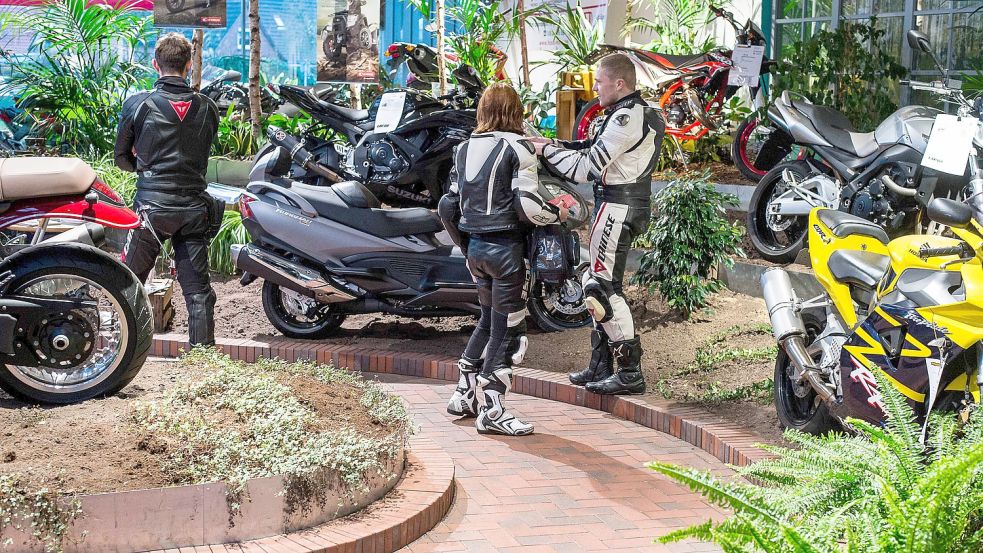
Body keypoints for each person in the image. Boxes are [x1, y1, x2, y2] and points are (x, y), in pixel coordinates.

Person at [438, 83, 569, 436]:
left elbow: (447, 206)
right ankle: (493, 410)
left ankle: (464, 394)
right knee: (511, 332)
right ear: (516, 112)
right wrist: (556, 213)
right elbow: (528, 205)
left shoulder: (464, 148)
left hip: (476, 251)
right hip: (508, 251)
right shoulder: (519, 147)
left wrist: (466, 246)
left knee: (489, 321)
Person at [530, 53, 665, 395]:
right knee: (595, 281)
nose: (594, 87)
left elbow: (585, 167)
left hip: (619, 204)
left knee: (601, 289)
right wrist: (551, 145)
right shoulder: (627, 114)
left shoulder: (627, 117)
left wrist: (546, 152)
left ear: (619, 83)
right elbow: (588, 148)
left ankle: (630, 372)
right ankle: (601, 364)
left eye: (599, 81)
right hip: (616, 204)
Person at [115, 33, 221, 347]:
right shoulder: (207, 107)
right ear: (189, 65)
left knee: (126, 284)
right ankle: (202, 361)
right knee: (199, 293)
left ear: (155, 64)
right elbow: (200, 150)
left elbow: (121, 158)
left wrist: (145, 170)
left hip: (150, 210)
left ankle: (122, 354)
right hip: (192, 209)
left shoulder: (138, 104)